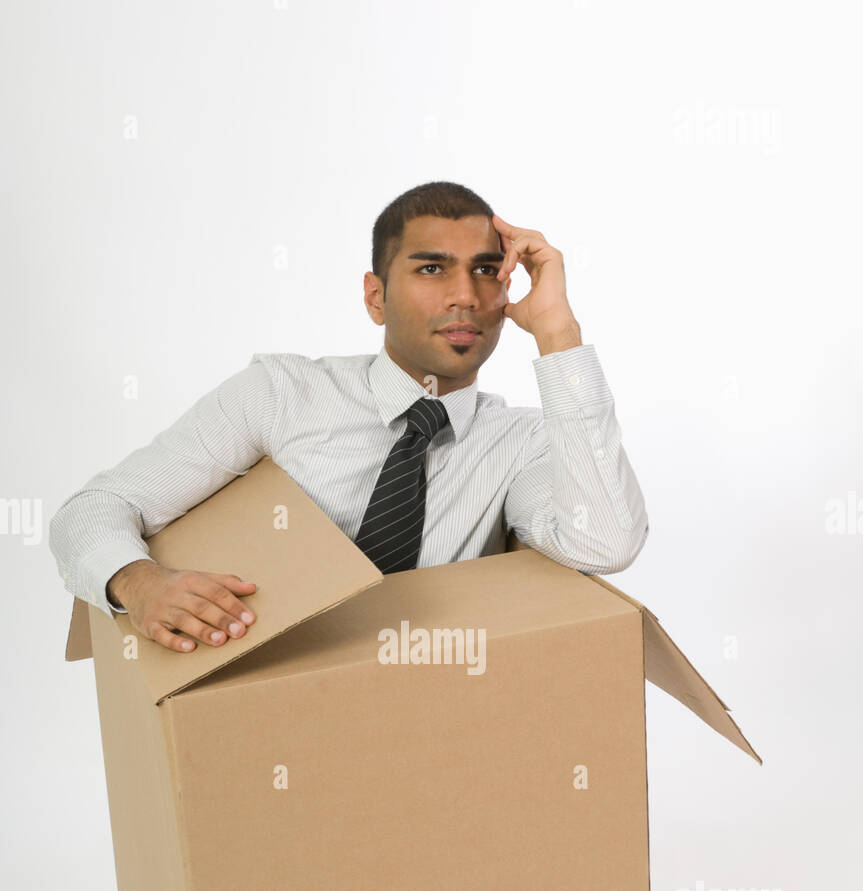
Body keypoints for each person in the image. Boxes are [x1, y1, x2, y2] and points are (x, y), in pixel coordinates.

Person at [49, 180, 648, 654]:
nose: (465, 293)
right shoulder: (281, 394)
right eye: (432, 268)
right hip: (262, 702)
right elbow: (96, 509)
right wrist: (141, 585)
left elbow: (605, 542)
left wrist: (558, 334)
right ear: (375, 297)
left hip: (441, 726)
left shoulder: (524, 443)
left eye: (486, 270)